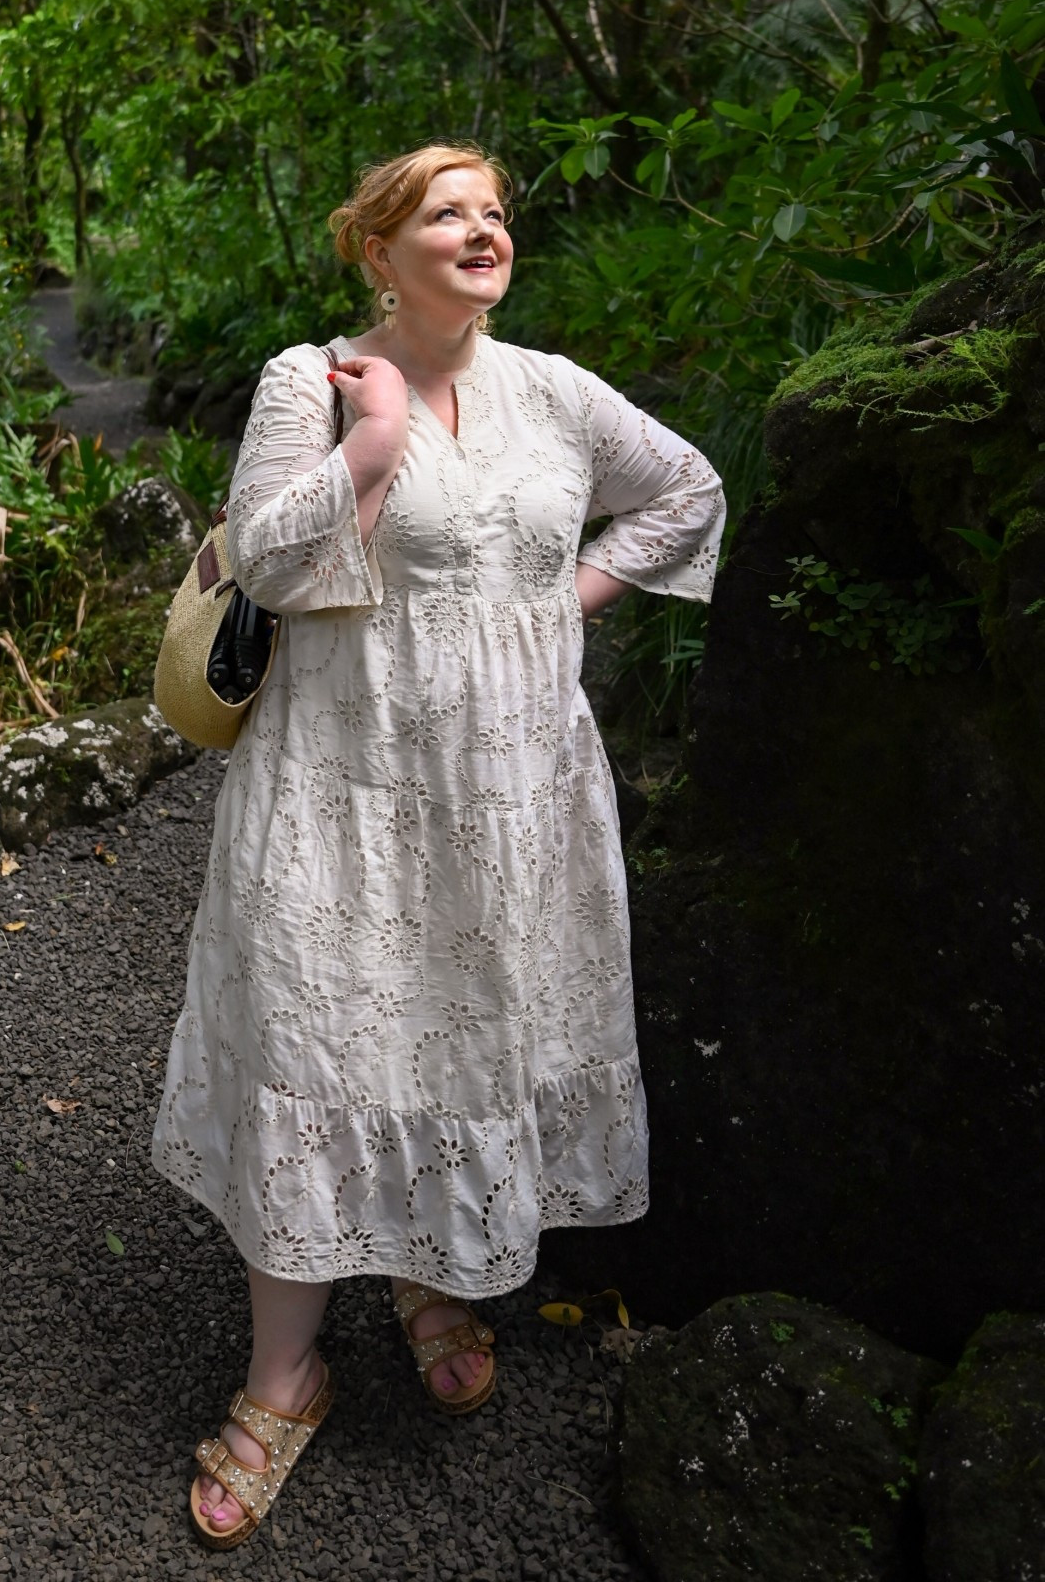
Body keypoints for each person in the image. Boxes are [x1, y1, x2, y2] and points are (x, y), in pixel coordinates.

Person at [151, 143, 726, 1547]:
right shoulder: (316, 376)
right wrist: (373, 445)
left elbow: (687, 492)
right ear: (377, 249)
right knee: (315, 1041)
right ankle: (285, 1377)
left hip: (511, 793)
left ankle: (426, 1274)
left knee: (465, 1035)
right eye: (446, 213)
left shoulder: (554, 392)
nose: (482, 232)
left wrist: (568, 601)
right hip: (340, 786)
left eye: (494, 213)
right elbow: (267, 564)